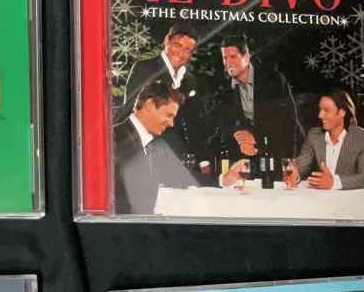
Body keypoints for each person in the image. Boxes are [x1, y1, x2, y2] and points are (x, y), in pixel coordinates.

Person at [216, 33, 304, 161]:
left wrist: (256, 137)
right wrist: (242, 139)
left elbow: (285, 122)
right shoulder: (225, 90)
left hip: (287, 151)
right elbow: (227, 126)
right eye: (225, 58)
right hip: (250, 153)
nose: (228, 63)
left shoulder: (273, 80)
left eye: (233, 57)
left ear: (246, 56)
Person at [114, 84, 197, 214]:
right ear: (150, 105)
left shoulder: (152, 145)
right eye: (169, 115)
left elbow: (178, 178)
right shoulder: (115, 139)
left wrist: (222, 179)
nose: (171, 123)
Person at [121, 25, 203, 153]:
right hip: (147, 151)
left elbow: (191, 121)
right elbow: (130, 111)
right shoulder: (145, 68)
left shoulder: (189, 79)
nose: (181, 53)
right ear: (166, 41)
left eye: (187, 50)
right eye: (177, 45)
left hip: (179, 153)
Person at [284, 90, 364, 190]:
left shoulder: (363, 137)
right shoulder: (314, 135)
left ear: (342, 112)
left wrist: (333, 182)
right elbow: (301, 165)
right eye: (320, 110)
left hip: (349, 197)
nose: (320, 115)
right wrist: (295, 174)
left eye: (326, 110)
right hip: (320, 197)